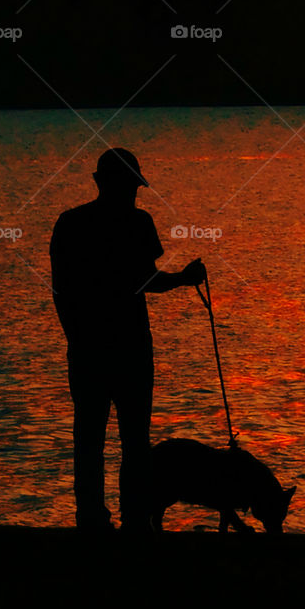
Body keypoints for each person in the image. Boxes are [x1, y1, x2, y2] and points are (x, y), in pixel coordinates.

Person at [50, 147, 206, 532]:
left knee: (90, 437)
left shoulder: (70, 224)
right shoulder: (138, 223)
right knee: (134, 441)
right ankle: (134, 520)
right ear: (113, 184)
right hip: (131, 349)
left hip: (88, 349)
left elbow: (61, 290)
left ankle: (92, 519)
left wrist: (74, 335)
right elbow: (146, 280)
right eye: (132, 186)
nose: (133, 193)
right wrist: (184, 279)